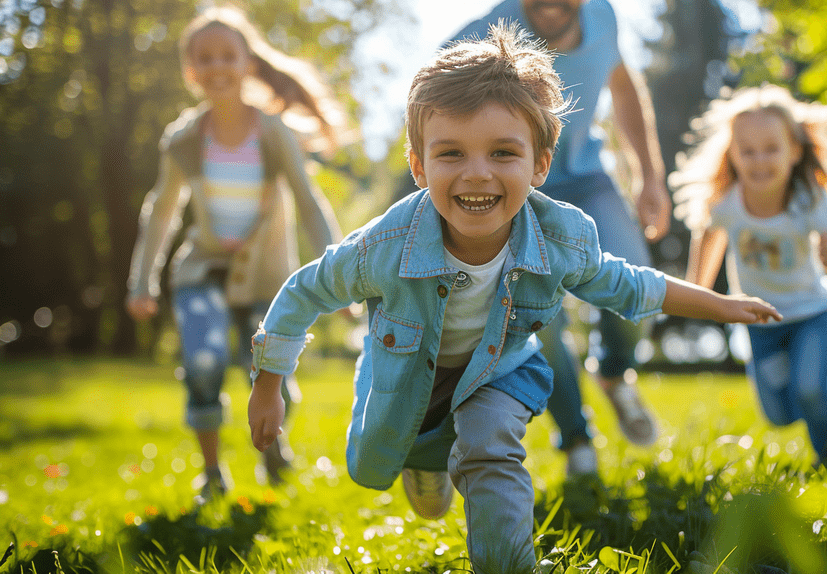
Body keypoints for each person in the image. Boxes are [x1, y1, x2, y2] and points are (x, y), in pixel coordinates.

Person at [248, 25, 780, 573]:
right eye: (451, 153)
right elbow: (305, 290)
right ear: (419, 166)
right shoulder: (384, 247)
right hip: (414, 380)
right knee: (424, 489)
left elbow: (629, 285)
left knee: (489, 444)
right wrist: (268, 384)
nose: (477, 173)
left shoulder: (559, 238)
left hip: (500, 369)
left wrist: (721, 304)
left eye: (503, 152)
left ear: (540, 164)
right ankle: (425, 461)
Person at [125, 5, 345, 499]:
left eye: (228, 55)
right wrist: (142, 282)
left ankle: (271, 447)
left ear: (248, 63)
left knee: (272, 375)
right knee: (202, 364)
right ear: (191, 71)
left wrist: (337, 277)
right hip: (202, 271)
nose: (218, 66)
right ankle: (212, 473)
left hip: (266, 276)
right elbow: (161, 213)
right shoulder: (184, 139)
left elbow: (310, 204)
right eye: (205, 58)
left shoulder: (272, 133)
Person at [450, 0, 673, 478]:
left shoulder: (603, 18)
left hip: (587, 177)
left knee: (637, 280)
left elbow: (622, 85)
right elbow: (429, 107)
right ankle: (576, 440)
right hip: (514, 192)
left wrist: (649, 175)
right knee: (537, 318)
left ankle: (614, 372)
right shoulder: (483, 33)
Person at [678, 84, 827, 469]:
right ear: (732, 154)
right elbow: (702, 269)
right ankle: (819, 387)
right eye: (747, 150)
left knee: (809, 392)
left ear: (794, 151)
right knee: (779, 415)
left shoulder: (808, 199)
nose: (759, 161)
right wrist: (698, 299)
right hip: (760, 321)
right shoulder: (726, 204)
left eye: (771, 149)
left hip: (812, 312)